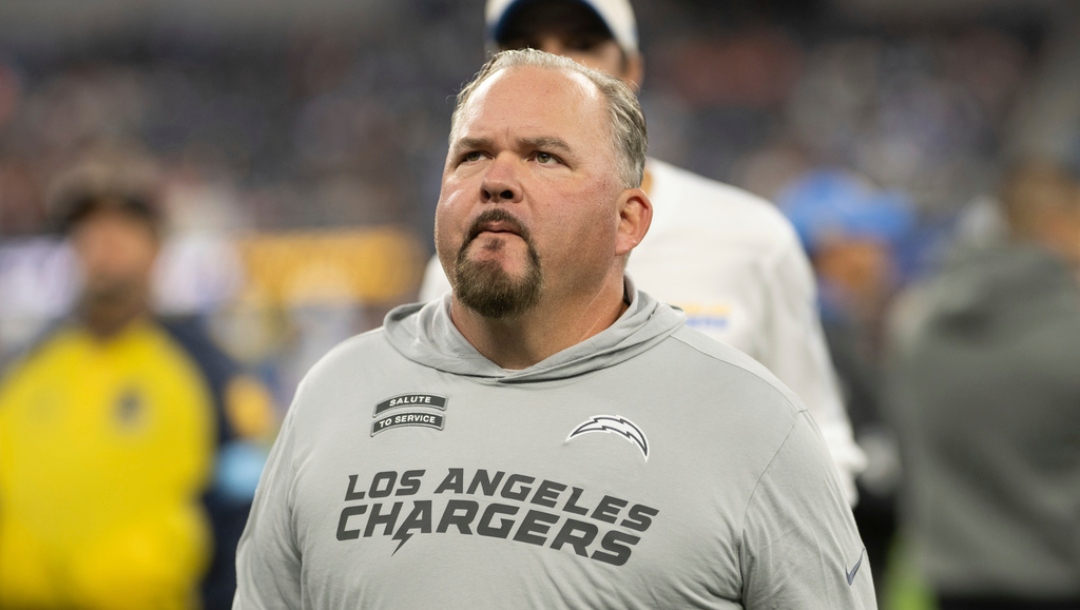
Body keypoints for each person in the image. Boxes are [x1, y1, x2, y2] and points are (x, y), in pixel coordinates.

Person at [234, 49, 875, 609]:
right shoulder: (335, 394)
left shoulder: (756, 425)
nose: (496, 181)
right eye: (472, 155)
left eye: (544, 157)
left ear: (628, 221)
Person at [418, 0, 865, 502]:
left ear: (631, 71)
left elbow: (817, 440)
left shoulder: (750, 240)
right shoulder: (459, 268)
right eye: (526, 48)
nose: (554, 68)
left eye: (582, 44)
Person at [0, 156, 276, 610]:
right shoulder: (27, 368)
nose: (103, 244)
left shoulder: (210, 373)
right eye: (89, 230)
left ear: (156, 247)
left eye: (122, 227)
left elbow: (251, 507)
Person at [886, 159, 1080, 610]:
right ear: (1058, 224)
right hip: (1059, 579)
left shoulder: (921, 319)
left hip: (951, 577)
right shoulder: (1067, 331)